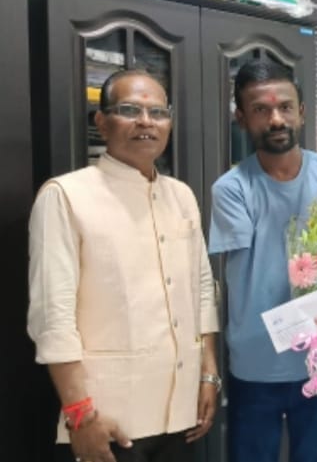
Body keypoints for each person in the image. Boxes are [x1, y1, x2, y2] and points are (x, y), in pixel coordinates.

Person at [28, 69, 220, 462]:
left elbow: (202, 290)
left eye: (158, 112)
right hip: (108, 417)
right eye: (129, 110)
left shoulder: (181, 196)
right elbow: (53, 318)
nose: (146, 122)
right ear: (102, 122)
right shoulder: (66, 195)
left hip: (182, 410)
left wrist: (208, 375)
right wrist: (80, 415)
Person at [207, 60, 317, 462]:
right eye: (261, 109)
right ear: (241, 118)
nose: (276, 119)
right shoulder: (231, 189)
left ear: (302, 111)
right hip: (257, 364)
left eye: (286, 107)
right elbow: (249, 271)